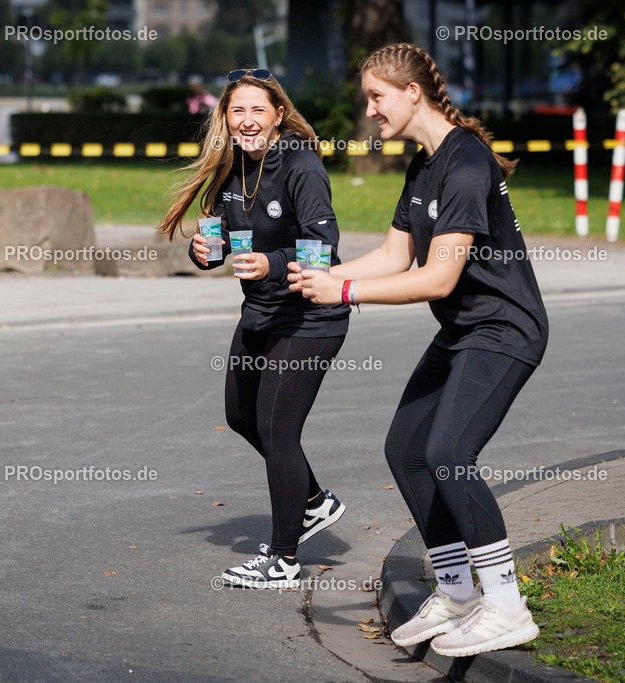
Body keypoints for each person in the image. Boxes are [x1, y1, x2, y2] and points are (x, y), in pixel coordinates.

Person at [289, 43, 548, 656]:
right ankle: (456, 593)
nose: (370, 111)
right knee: (406, 450)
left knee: (448, 452)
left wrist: (344, 291)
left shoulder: (465, 162)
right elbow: (394, 255)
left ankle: (506, 606)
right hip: (463, 331)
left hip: (504, 329)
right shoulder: (424, 164)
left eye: (376, 97)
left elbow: (438, 278)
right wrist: (320, 278)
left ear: (413, 92)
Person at [158, 68, 350, 589]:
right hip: (261, 312)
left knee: (277, 429)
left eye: (258, 110)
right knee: (241, 416)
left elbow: (323, 248)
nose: (247, 120)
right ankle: (314, 502)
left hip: (310, 315)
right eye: (237, 110)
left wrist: (272, 263)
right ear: (225, 117)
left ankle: (283, 560)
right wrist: (205, 251)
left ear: (278, 115)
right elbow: (221, 239)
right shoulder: (232, 168)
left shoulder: (300, 163)